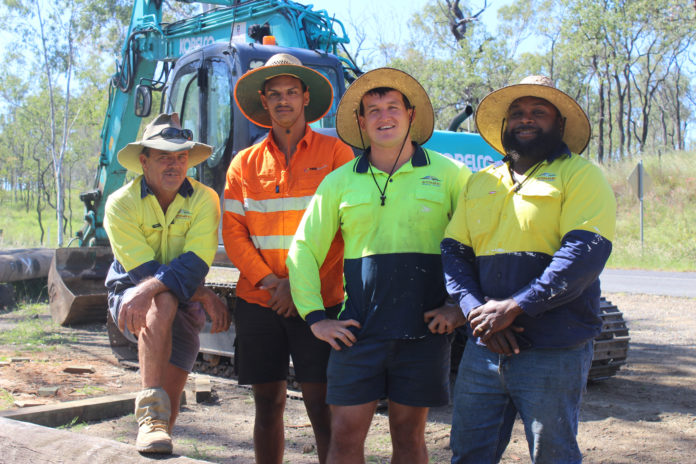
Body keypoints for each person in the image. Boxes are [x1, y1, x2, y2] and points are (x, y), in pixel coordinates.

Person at [426, 75, 617, 463]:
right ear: (504, 124)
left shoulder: (580, 175)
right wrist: (479, 314)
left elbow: (583, 254)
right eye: (517, 113)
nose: (525, 119)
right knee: (468, 453)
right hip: (483, 349)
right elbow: (453, 250)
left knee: (553, 455)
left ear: (559, 124)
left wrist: (513, 307)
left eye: (538, 112)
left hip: (554, 349)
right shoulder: (480, 181)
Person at [287, 68, 471, 464]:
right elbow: (302, 249)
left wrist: (460, 308)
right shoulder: (339, 182)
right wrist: (316, 317)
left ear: (410, 115)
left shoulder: (451, 174)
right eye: (372, 110)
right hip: (358, 333)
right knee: (345, 436)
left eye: (392, 107)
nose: (383, 116)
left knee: (409, 437)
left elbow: (477, 244)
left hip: (425, 331)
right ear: (360, 121)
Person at [222, 53, 354, 464]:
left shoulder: (337, 154)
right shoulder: (243, 164)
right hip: (260, 301)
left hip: (319, 302)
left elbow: (345, 232)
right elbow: (234, 231)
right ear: (264, 101)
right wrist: (269, 282)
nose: (283, 101)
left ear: (305, 98)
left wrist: (300, 287)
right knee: (267, 403)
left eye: (291, 93)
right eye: (275, 94)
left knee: (320, 402)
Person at [104, 113, 230, 454]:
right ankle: (148, 416)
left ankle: (157, 431)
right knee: (161, 300)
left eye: (180, 157)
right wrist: (200, 291)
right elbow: (142, 272)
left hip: (183, 297)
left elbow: (194, 265)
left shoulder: (205, 199)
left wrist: (190, 287)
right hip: (130, 295)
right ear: (144, 162)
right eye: (163, 157)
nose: (174, 165)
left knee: (170, 404)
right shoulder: (120, 204)